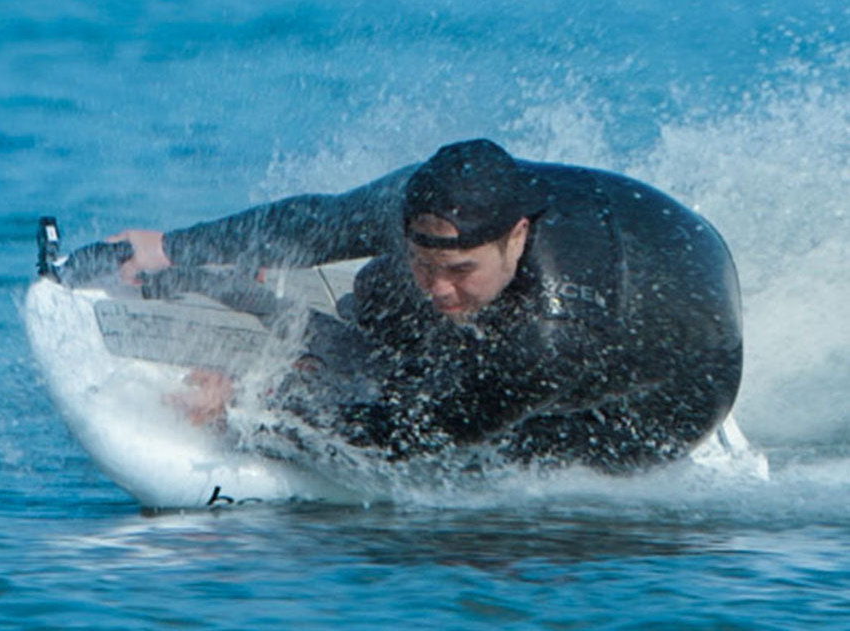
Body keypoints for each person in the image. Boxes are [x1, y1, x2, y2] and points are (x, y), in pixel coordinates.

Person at [86, 139, 742, 472]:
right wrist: (174, 247)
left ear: (517, 235)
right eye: (428, 262)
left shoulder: (554, 335)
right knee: (387, 288)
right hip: (633, 237)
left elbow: (411, 438)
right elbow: (324, 220)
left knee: (474, 451)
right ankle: (355, 354)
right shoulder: (435, 202)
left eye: (458, 269)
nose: (439, 285)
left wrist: (255, 406)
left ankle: (326, 375)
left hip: (666, 394)